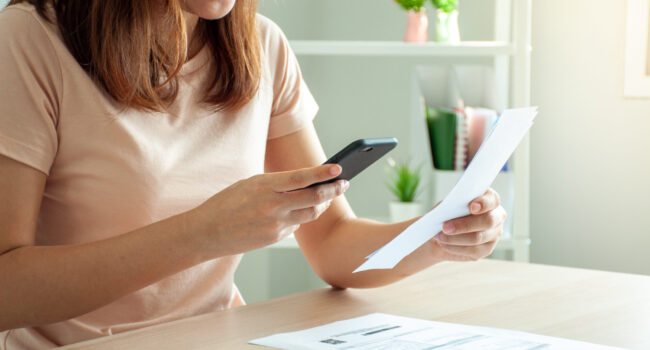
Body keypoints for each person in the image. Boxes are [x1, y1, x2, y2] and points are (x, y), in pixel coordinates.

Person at [0, 0, 507, 348]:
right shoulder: (30, 39)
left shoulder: (261, 47)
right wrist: (203, 233)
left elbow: (332, 243)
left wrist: (438, 235)